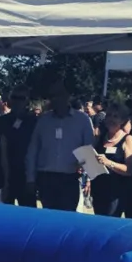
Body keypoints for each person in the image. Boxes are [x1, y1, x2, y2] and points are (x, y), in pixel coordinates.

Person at [24, 79, 95, 212]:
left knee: (67, 218)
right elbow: (33, 151)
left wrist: (88, 178)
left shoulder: (82, 120)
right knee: (48, 218)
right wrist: (30, 179)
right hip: (46, 178)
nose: (56, 99)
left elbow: (89, 151)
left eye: (60, 94)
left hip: (70, 178)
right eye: (53, 96)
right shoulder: (43, 121)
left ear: (68, 96)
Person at [90, 103, 132, 217]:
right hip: (98, 190)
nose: (111, 119)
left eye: (115, 116)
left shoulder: (128, 139)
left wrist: (108, 163)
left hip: (116, 193)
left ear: (123, 120)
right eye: (109, 115)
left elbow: (129, 170)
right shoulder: (100, 138)